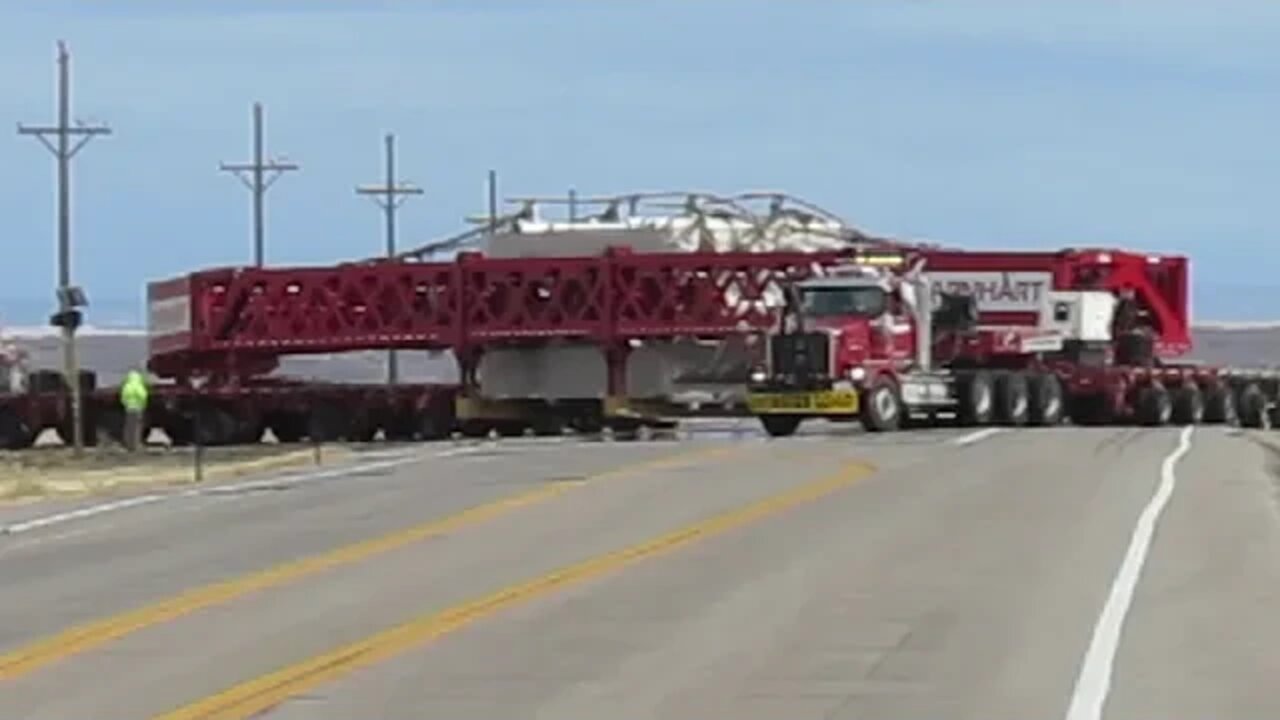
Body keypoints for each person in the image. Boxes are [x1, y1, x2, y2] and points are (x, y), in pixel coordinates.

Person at [119, 369, 149, 451]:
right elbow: (143, 396)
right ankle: (136, 445)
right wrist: (143, 405)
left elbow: (123, 398)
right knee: (137, 428)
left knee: (129, 427)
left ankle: (128, 445)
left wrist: (126, 405)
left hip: (129, 409)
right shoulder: (139, 386)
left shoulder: (127, 386)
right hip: (138, 409)